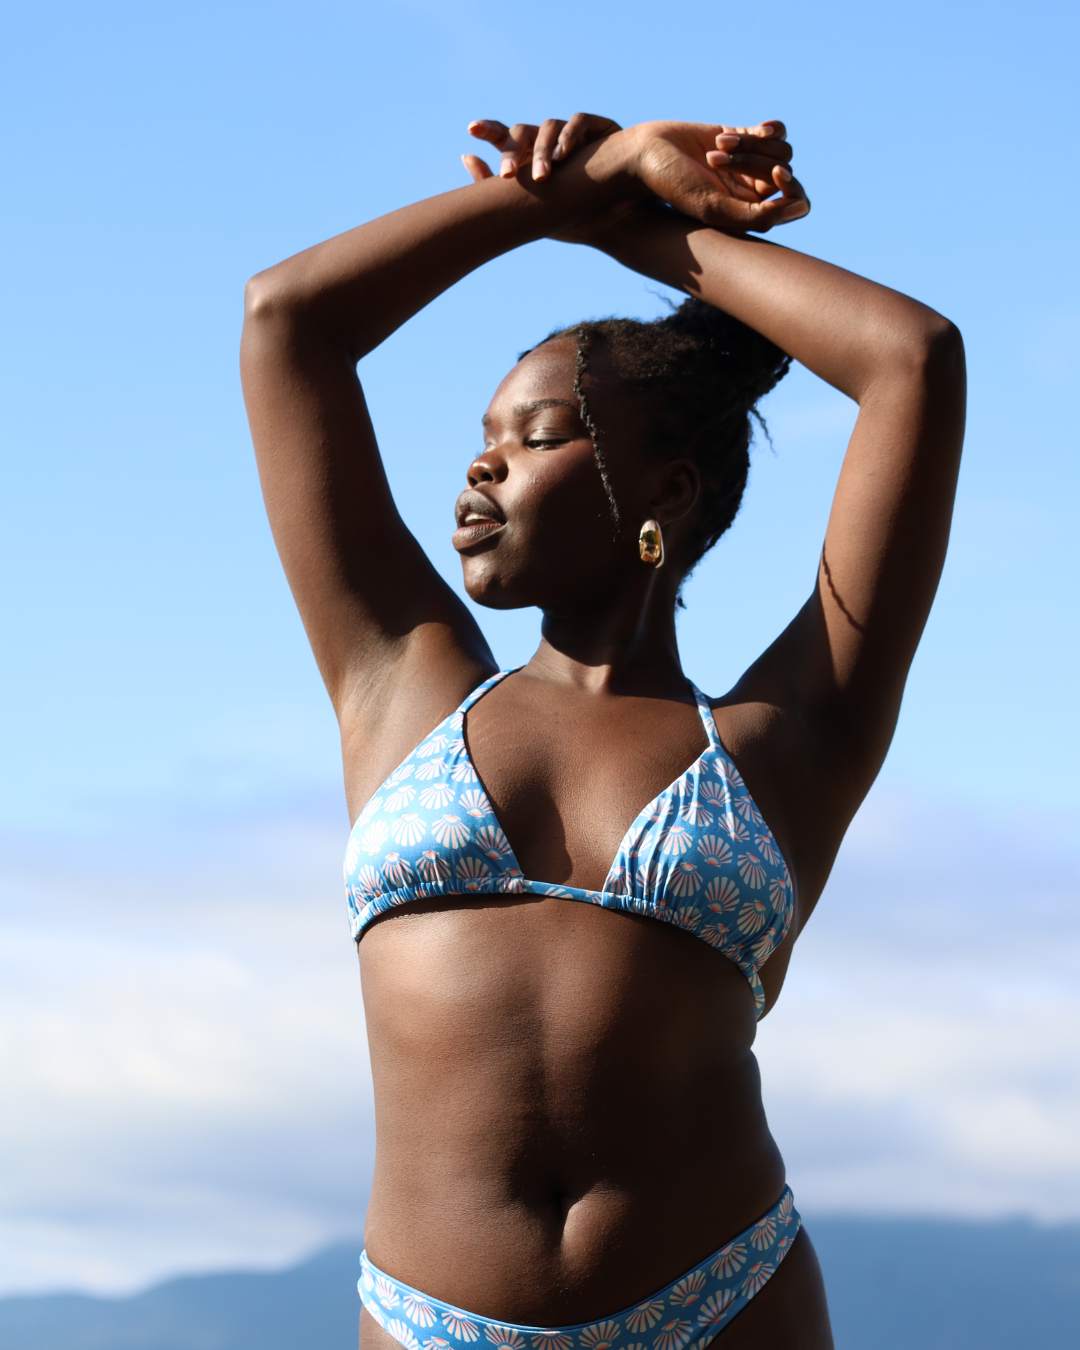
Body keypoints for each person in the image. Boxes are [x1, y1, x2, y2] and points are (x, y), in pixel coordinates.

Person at [239, 112, 966, 1350]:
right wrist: (577, 183)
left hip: (723, 1299)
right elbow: (285, 323)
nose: (482, 473)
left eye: (533, 439)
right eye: (479, 441)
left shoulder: (796, 732)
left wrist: (650, 235)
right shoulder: (397, 678)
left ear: (666, 495)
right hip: (432, 1321)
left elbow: (912, 358)